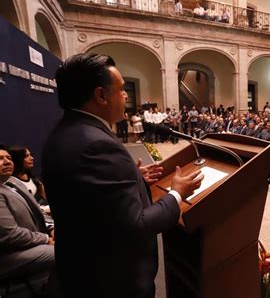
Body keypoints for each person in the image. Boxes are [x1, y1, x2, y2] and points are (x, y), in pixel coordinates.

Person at [41, 53, 204, 298]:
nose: (126, 95)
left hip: (80, 268)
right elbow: (135, 225)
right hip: (111, 280)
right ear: (101, 95)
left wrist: (134, 177)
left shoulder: (65, 132)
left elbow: (93, 197)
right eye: (121, 89)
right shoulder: (96, 144)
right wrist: (176, 194)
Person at [0, 145, 56, 296]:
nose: (6, 162)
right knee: (66, 252)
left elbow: (39, 212)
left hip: (32, 243)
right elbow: (10, 235)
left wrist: (52, 228)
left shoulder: (13, 183)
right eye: (0, 159)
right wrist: (45, 239)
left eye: (8, 158)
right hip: (9, 254)